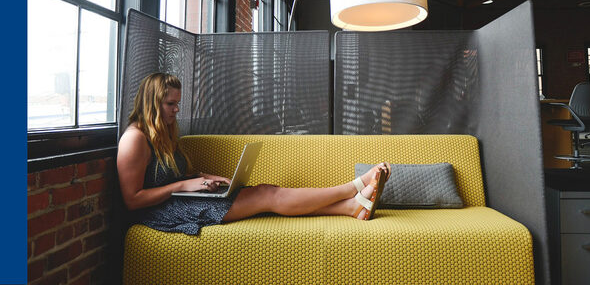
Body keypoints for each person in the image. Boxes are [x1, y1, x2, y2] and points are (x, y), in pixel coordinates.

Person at [117, 72, 390, 235]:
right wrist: (183, 185)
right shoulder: (134, 140)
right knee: (267, 195)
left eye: (177, 103)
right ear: (152, 103)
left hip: (181, 200)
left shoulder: (163, 132)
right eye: (170, 104)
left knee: (266, 191)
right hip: (162, 213)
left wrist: (202, 178)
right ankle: (351, 188)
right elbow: (132, 200)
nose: (177, 110)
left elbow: (171, 177)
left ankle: (351, 208)